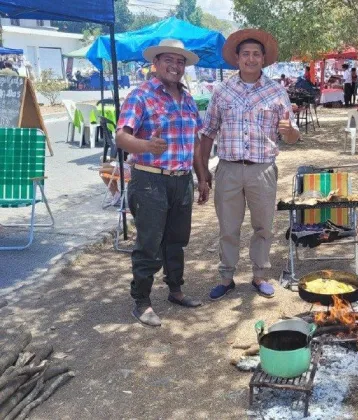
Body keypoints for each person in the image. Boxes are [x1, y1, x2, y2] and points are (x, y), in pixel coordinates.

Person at [197, 29, 300, 300]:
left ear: (263, 59)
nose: (251, 59)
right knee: (228, 227)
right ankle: (226, 277)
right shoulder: (222, 91)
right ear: (237, 58)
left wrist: (290, 130)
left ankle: (259, 275)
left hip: (262, 169)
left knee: (263, 226)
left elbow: (292, 135)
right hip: (229, 168)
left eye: (256, 54)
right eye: (246, 54)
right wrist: (203, 171)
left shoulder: (277, 91)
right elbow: (207, 131)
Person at [115, 39, 204, 327]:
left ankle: (175, 290)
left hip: (181, 180)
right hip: (150, 180)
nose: (175, 66)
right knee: (149, 243)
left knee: (177, 241)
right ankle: (141, 301)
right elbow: (121, 136)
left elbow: (196, 141)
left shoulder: (188, 99)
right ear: (156, 63)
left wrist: (202, 176)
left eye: (180, 62)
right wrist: (144, 145)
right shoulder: (140, 95)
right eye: (169, 60)